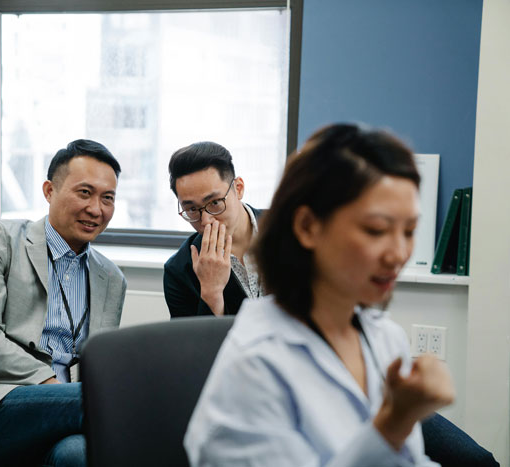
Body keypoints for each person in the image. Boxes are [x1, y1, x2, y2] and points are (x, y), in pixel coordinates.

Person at [184, 124, 499, 466]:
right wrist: (393, 423)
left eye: (409, 231)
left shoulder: (384, 337)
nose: (398, 254)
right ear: (307, 228)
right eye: (376, 230)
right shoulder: (255, 363)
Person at [0, 139, 127, 466]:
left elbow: (97, 365)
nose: (96, 208)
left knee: (78, 455)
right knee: (108, 403)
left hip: (59, 412)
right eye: (84, 192)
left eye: (108, 198)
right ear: (49, 191)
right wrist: (48, 382)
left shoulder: (111, 279)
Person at [163, 141, 263, 317]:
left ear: (238, 189)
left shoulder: (289, 229)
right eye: (192, 209)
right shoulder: (179, 271)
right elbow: (194, 343)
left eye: (215, 203)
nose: (206, 221)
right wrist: (212, 292)